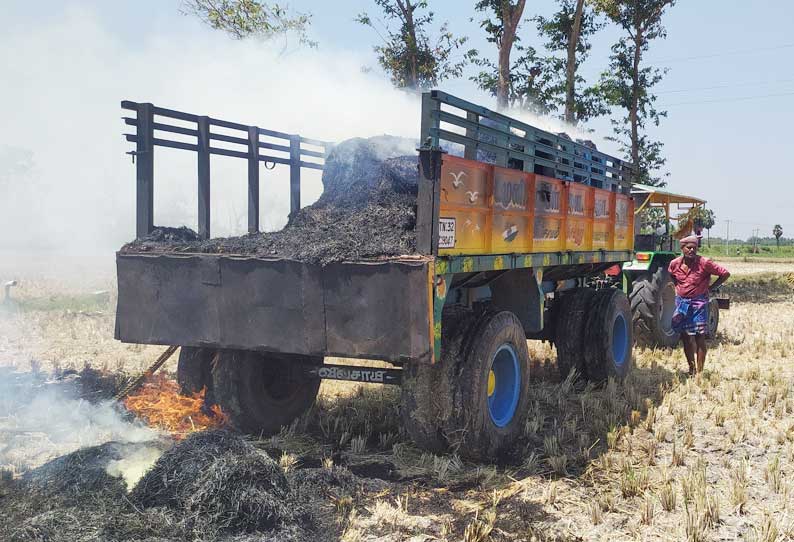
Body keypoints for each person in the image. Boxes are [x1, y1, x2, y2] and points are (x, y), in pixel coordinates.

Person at [668, 235, 731, 375]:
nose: (691, 250)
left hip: (699, 304)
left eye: (694, 248)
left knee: (699, 336)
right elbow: (671, 275)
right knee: (685, 337)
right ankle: (691, 369)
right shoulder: (674, 264)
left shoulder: (704, 262)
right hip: (682, 303)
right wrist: (678, 287)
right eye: (688, 248)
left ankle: (700, 372)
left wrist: (711, 288)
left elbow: (725, 274)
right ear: (682, 248)